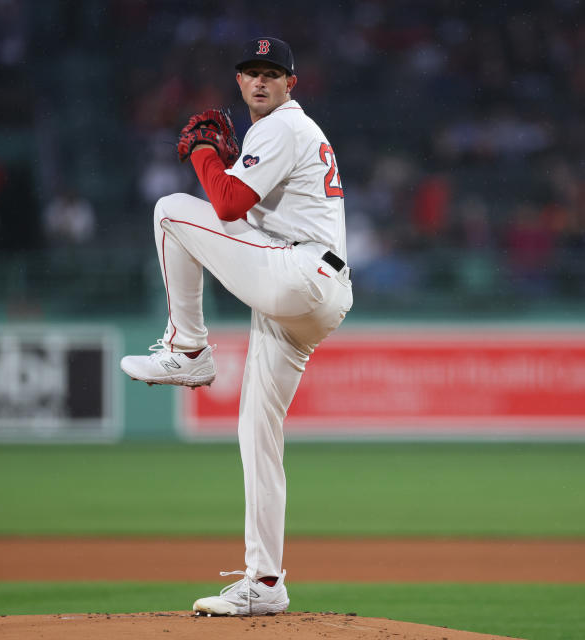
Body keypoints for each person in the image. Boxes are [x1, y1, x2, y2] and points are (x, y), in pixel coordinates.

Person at [119, 37, 352, 616]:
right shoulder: (277, 136)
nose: (261, 81)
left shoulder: (282, 127)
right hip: (312, 291)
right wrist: (222, 163)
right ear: (240, 81)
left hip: (298, 273)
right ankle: (265, 584)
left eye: (273, 73)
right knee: (257, 433)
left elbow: (221, 205)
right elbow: (244, 212)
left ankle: (189, 348)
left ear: (290, 83)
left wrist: (202, 152)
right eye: (252, 72)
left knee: (171, 211)